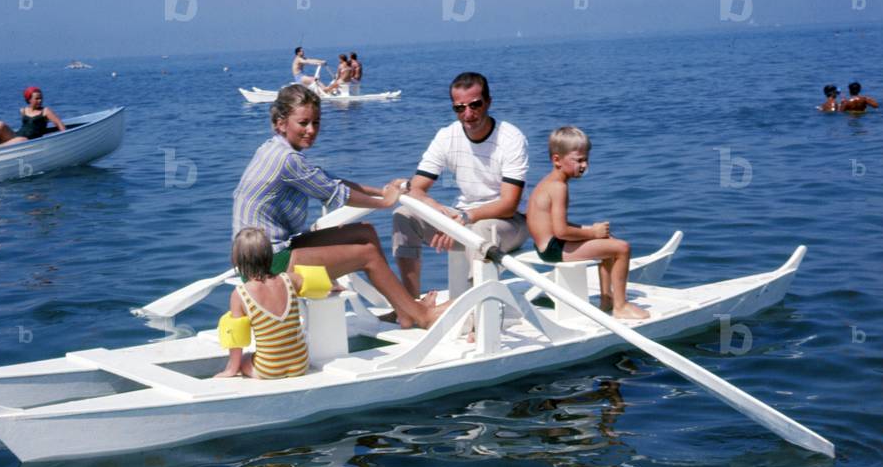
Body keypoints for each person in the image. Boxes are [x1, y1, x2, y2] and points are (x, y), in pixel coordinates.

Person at [232, 84, 448, 330]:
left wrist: (382, 190)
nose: (311, 130)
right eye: (303, 123)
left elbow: (327, 178)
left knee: (364, 231)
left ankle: (404, 310)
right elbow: (335, 193)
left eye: (316, 122)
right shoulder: (288, 159)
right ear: (282, 123)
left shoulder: (274, 147)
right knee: (367, 255)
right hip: (264, 264)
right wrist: (385, 203)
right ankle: (421, 315)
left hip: (269, 250)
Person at [392, 72, 529, 299]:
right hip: (462, 218)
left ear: (488, 102)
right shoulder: (446, 136)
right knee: (403, 216)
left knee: (479, 233)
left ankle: (479, 313)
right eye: (459, 108)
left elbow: (508, 204)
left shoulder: (511, 138)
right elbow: (416, 188)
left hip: (510, 222)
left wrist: (463, 219)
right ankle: (411, 305)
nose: (468, 114)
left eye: (475, 105)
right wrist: (440, 214)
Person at [527, 126, 649, 321]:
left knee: (609, 242)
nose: (584, 165)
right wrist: (592, 234)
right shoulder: (558, 188)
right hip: (553, 248)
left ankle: (607, 299)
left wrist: (590, 230)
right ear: (557, 160)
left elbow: (556, 225)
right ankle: (621, 306)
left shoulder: (550, 182)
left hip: (547, 245)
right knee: (622, 248)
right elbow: (561, 231)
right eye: (578, 160)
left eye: (586, 159)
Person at [216, 227, 325, 379]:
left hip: (269, 370)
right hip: (300, 364)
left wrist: (232, 369)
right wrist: (333, 285)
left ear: (238, 259)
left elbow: (237, 339)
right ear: (269, 254)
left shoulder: (240, 294)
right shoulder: (290, 279)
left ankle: (231, 368)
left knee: (245, 359)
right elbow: (319, 283)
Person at [0, 87, 65, 149]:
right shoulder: (23, 110)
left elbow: (59, 124)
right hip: (16, 137)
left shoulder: (45, 111)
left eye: (41, 98)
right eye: (37, 99)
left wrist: (64, 138)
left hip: (30, 141)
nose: (40, 100)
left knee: (22, 139)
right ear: (29, 100)